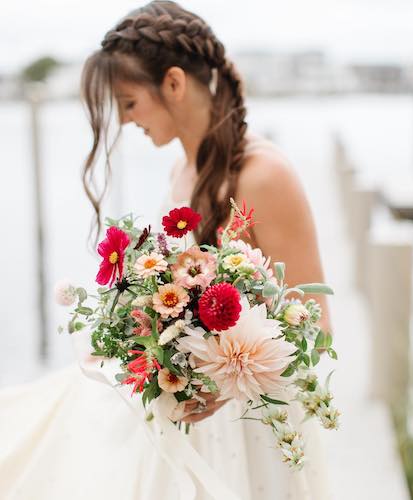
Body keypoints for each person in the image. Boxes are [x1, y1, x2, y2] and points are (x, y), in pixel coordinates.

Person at [0, 2, 334, 499]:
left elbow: (316, 322)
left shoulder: (266, 174)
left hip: (244, 418)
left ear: (173, 83)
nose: (125, 119)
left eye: (129, 102)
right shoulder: (183, 168)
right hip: (183, 404)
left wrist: (224, 382)